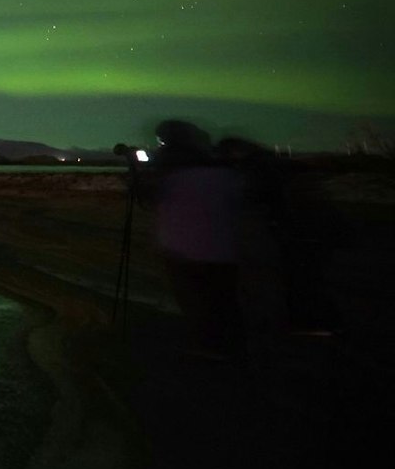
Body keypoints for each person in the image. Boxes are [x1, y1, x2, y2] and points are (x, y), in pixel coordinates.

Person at [219, 136, 342, 336]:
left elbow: (258, 198)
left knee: (295, 277)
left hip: (286, 229)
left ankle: (313, 323)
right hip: (302, 228)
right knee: (305, 277)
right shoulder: (277, 164)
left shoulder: (256, 170)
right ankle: (319, 321)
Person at [145, 119, 247, 359]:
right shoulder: (224, 173)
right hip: (224, 249)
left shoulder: (171, 174)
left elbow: (148, 198)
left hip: (181, 250)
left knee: (195, 299)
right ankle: (232, 344)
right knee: (224, 298)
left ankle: (209, 345)